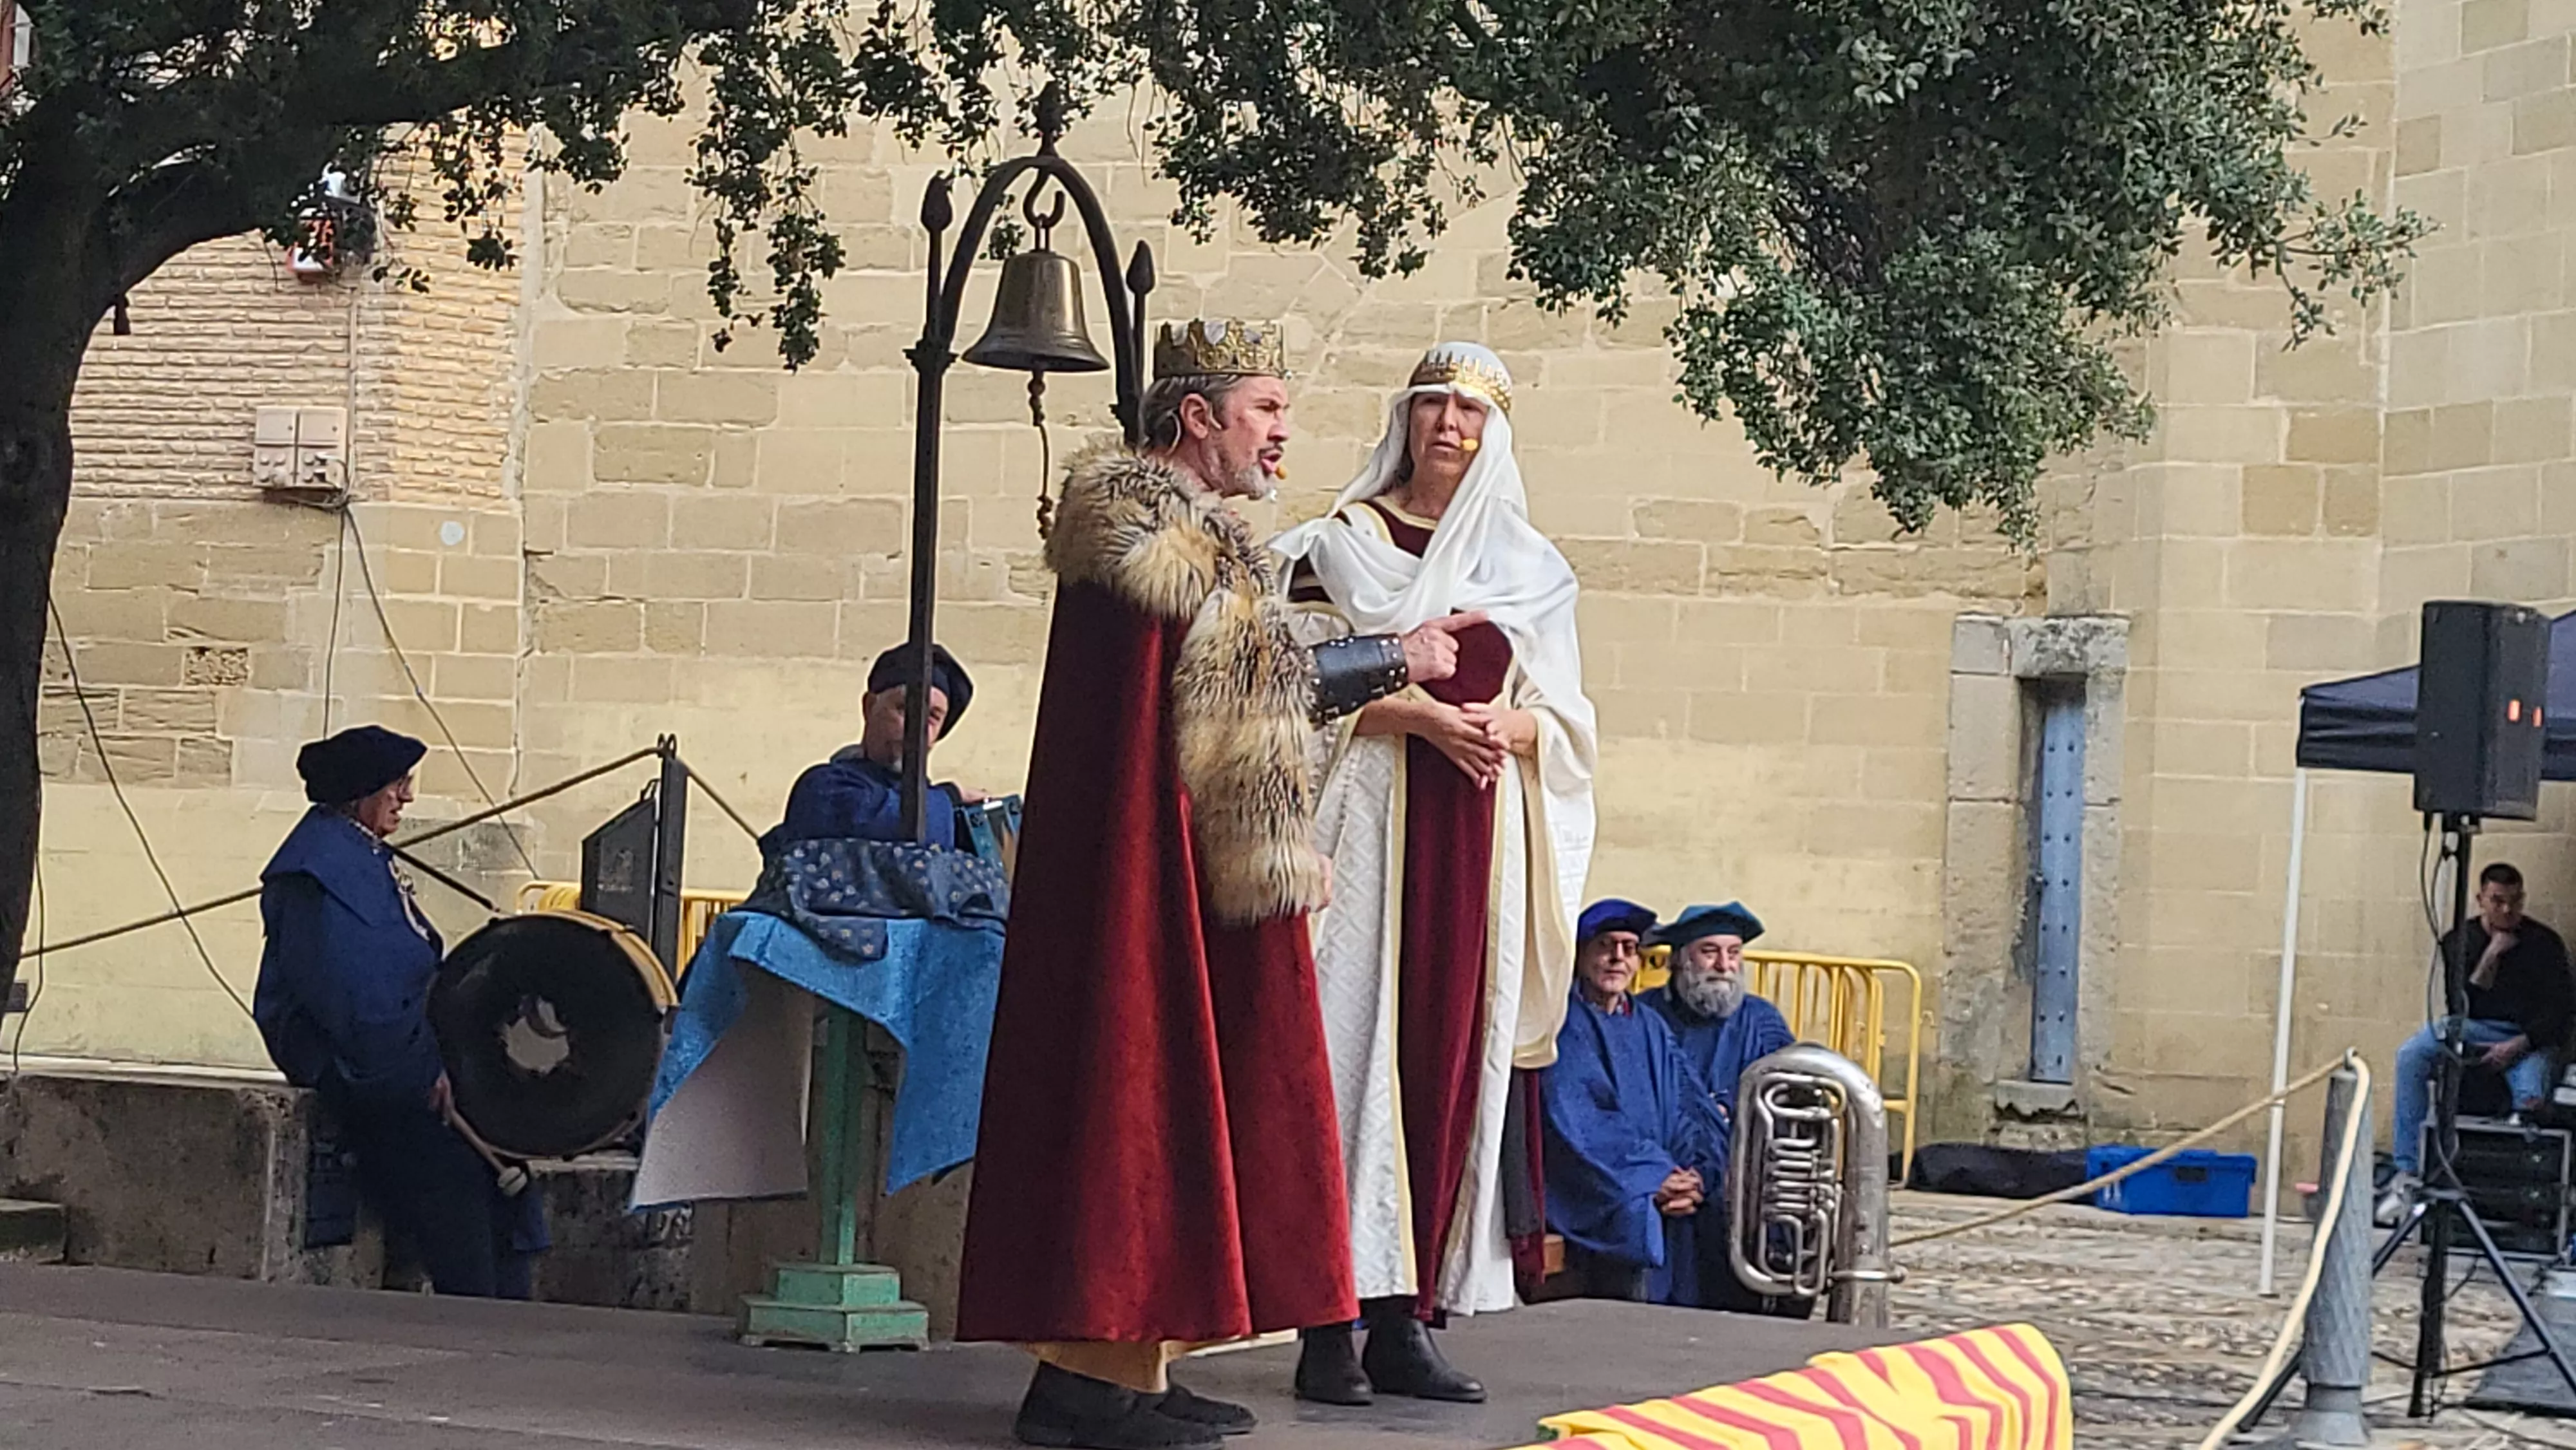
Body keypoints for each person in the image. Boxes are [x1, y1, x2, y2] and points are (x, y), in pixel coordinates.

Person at [956, 319, 1493, 1450]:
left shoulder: (1190, 536)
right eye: (1265, 411)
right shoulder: (1151, 539)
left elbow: (1236, 685)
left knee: (1193, 1101)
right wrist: (1399, 655)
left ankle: (1134, 1366)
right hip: (1147, 879)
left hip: (1190, 861)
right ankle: (1087, 1381)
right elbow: (1247, 678)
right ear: (1198, 419)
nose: (1283, 437)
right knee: (1138, 1099)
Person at [1271, 342, 1598, 1405]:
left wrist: (1511, 722)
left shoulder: (1530, 567)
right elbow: (1286, 682)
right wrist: (1409, 710)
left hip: (1477, 841)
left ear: (1492, 433)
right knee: (1351, 1056)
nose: (1447, 423)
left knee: (1448, 1062)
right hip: (1370, 824)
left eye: (1468, 409)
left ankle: (1406, 1318)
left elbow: (1567, 715)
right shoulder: (1339, 545)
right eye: (1432, 404)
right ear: (1405, 419)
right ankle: (1326, 1325)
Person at [254, 724, 544, 1297]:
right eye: (398, 784)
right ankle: (478, 1307)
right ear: (362, 792)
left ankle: (506, 1303)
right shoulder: (319, 873)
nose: (407, 797)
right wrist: (418, 1072)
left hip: (403, 1055)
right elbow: (356, 999)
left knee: (501, 1152)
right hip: (362, 1070)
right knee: (451, 1171)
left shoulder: (356, 855)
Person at [1538, 899, 1729, 1304]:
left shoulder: (1650, 1025)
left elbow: (1691, 1106)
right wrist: (1654, 1177)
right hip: (1596, 1184)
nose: (1617, 959)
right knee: (1635, 1214)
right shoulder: (1562, 1025)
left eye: (1628, 948)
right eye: (1605, 946)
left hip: (1661, 1180)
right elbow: (1581, 1118)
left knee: (1716, 1209)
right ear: (1582, 954)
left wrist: (1696, 1175)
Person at [1636, 900, 1808, 1316]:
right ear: (1679, 960)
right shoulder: (1644, 1016)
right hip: (1670, 1183)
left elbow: (1793, 1104)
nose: (1724, 965)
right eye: (1709, 951)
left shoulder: (1761, 1020)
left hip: (1743, 1190)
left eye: (1733, 953)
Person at [2379, 862, 2575, 1225]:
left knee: (2529, 1098)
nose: (2506, 911)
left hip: (2525, 1038)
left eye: (2514, 902)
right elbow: (2462, 1001)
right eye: (2497, 902)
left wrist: (2517, 1045)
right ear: (2481, 900)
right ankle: (2406, 1170)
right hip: (2472, 1027)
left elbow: (2559, 1013)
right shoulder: (2461, 939)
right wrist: (2492, 954)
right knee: (2411, 1055)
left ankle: (2517, 1202)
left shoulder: (2544, 944)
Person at [767, 641, 979, 849]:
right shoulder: (824, 787)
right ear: (869, 707)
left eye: (933, 716)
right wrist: (950, 798)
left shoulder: (940, 807)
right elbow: (891, 824)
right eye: (906, 708)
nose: (918, 727)